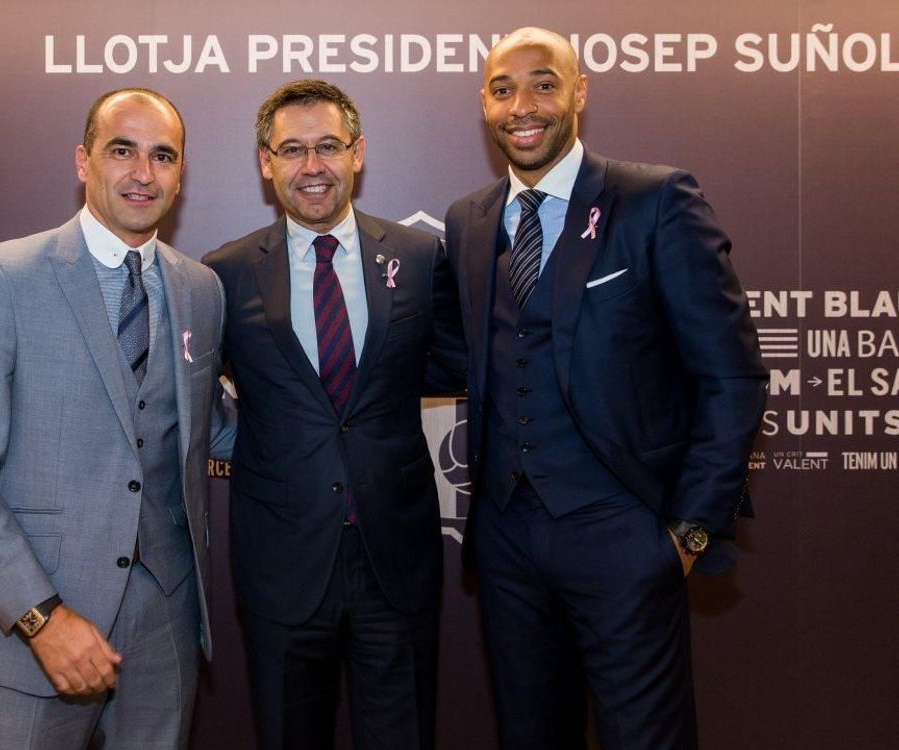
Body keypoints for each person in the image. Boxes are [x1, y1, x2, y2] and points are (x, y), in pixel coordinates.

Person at [443, 28, 767, 750]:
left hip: (625, 536)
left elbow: (732, 375)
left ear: (580, 92)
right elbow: (452, 350)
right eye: (502, 89)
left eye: (544, 83)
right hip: (505, 545)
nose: (523, 105)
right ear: (484, 105)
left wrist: (687, 533)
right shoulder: (469, 220)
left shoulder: (654, 200)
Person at [0, 88, 233, 750]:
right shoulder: (4, 278)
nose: (143, 174)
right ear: (82, 160)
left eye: (163, 156)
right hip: (33, 625)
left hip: (166, 620)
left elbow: (208, 427)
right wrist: (42, 618)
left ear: (181, 174)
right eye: (122, 150)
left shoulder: (199, 290)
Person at [203, 79, 465, 750]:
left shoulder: (416, 254)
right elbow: (195, 398)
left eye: (327, 147)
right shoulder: (225, 274)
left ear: (358, 153)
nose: (311, 167)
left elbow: (456, 367)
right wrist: (260, 445)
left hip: (395, 558)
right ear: (265, 162)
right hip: (282, 564)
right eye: (292, 150)